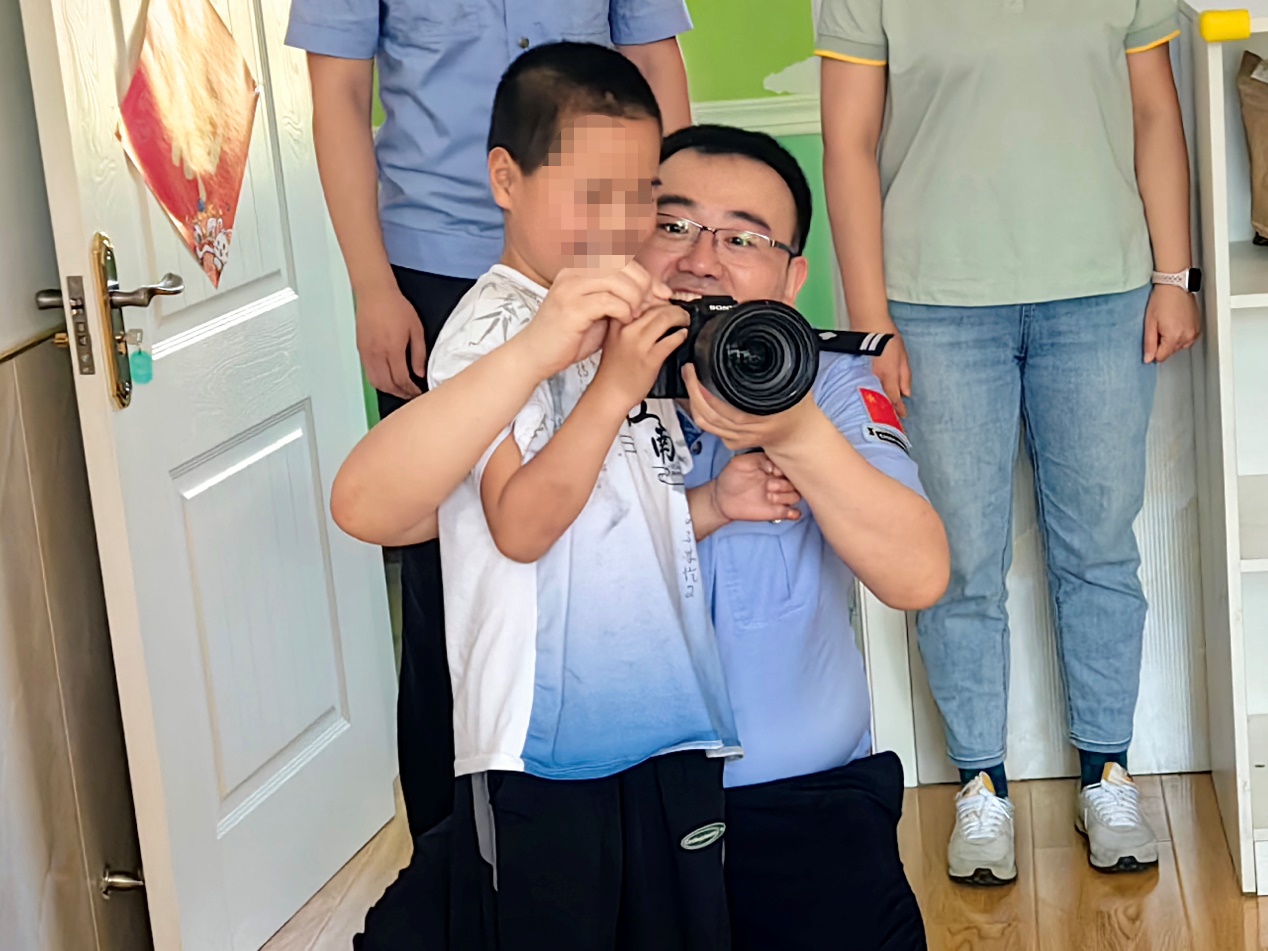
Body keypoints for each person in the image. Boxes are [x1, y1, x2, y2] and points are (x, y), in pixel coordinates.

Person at [335, 123, 947, 949]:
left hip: (793, 800)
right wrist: (574, 374)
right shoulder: (557, 364)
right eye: (673, 223)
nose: (702, 259)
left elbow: (918, 574)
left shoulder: (827, 380)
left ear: (792, 277)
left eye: (743, 238)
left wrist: (794, 432)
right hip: (593, 801)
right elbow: (377, 508)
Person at [285, 0, 695, 837]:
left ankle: (624, 781)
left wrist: (664, 244)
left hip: (609, 257)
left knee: (625, 498)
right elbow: (338, 96)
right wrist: (373, 286)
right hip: (433, 268)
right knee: (451, 571)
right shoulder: (462, 318)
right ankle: (457, 849)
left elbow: (656, 63)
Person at [817, 0, 1202, 884]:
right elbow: (849, 144)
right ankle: (980, 783)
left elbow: (1155, 110)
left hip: (1103, 291)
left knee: (1100, 547)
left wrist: (1173, 275)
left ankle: (1108, 773)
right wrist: (872, 322)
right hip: (933, 303)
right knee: (957, 560)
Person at [418, 44, 742, 948]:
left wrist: (719, 502)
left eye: (640, 195)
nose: (621, 222)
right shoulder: (488, 332)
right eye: (591, 193)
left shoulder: (628, 313)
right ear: (506, 179)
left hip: (668, 719)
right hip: (542, 749)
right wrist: (613, 386)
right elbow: (522, 524)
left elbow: (623, 521)